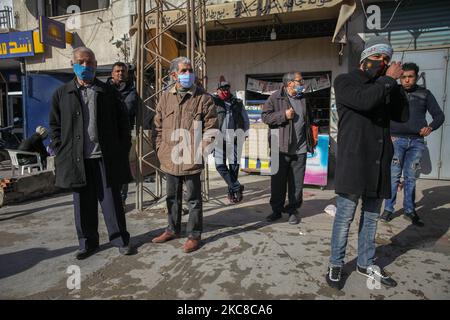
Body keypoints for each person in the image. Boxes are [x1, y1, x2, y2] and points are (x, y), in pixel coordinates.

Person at [326, 36, 409, 290]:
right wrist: (388, 80)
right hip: (354, 161)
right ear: (365, 59)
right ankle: (336, 264)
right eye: (379, 58)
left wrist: (395, 87)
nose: (383, 64)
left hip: (378, 162)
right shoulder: (346, 81)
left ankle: (365, 262)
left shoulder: (385, 86)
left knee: (371, 217)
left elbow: (403, 115)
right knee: (345, 217)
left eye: (387, 60)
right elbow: (364, 100)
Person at [49, 47, 133, 260]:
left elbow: (123, 122)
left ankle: (120, 239)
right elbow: (55, 126)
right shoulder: (62, 93)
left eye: (90, 62)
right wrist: (61, 149)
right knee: (82, 205)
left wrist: (122, 148)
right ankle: (87, 243)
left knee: (112, 202)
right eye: (81, 62)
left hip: (104, 158)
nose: (85, 66)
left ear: (96, 65)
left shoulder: (108, 92)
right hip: (77, 160)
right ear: (73, 65)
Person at [152, 56, 218, 253]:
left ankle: (193, 235)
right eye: (183, 71)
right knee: (172, 197)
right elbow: (158, 127)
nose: (188, 74)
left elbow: (212, 129)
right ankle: (172, 229)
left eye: (190, 70)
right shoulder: (165, 98)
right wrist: (160, 149)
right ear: (173, 75)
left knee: (194, 200)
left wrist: (201, 151)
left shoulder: (203, 98)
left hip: (192, 159)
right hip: (169, 158)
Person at [381, 62, 445, 227]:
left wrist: (430, 127)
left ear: (416, 77)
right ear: (400, 77)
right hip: (396, 141)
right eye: (403, 77)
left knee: (410, 178)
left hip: (416, 142)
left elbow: (439, 115)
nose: (407, 80)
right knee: (394, 176)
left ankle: (410, 210)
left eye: (410, 77)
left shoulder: (425, 94)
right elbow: (381, 113)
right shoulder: (393, 92)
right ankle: (388, 209)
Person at [261, 71, 317, 225]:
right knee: (278, 183)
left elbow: (309, 119)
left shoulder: (304, 99)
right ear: (290, 83)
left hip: (300, 149)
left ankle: (293, 210)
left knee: (297, 184)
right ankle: (276, 211)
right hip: (280, 148)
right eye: (300, 81)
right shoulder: (275, 98)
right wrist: (283, 115)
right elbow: (265, 117)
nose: (302, 83)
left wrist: (312, 136)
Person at [212, 76, 249, 204]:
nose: (225, 91)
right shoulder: (213, 102)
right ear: (217, 90)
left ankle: (232, 192)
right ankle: (237, 186)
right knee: (220, 165)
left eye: (227, 88)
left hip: (234, 138)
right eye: (222, 89)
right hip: (219, 139)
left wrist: (245, 134)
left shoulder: (237, 103)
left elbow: (245, 119)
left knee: (233, 167)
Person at [107, 62, 138, 206]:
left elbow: (128, 110)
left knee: (122, 169)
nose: (120, 73)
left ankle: (121, 201)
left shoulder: (131, 91)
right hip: (105, 135)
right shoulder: (103, 89)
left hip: (123, 136)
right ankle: (109, 200)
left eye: (123, 71)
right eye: (118, 71)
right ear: (112, 73)